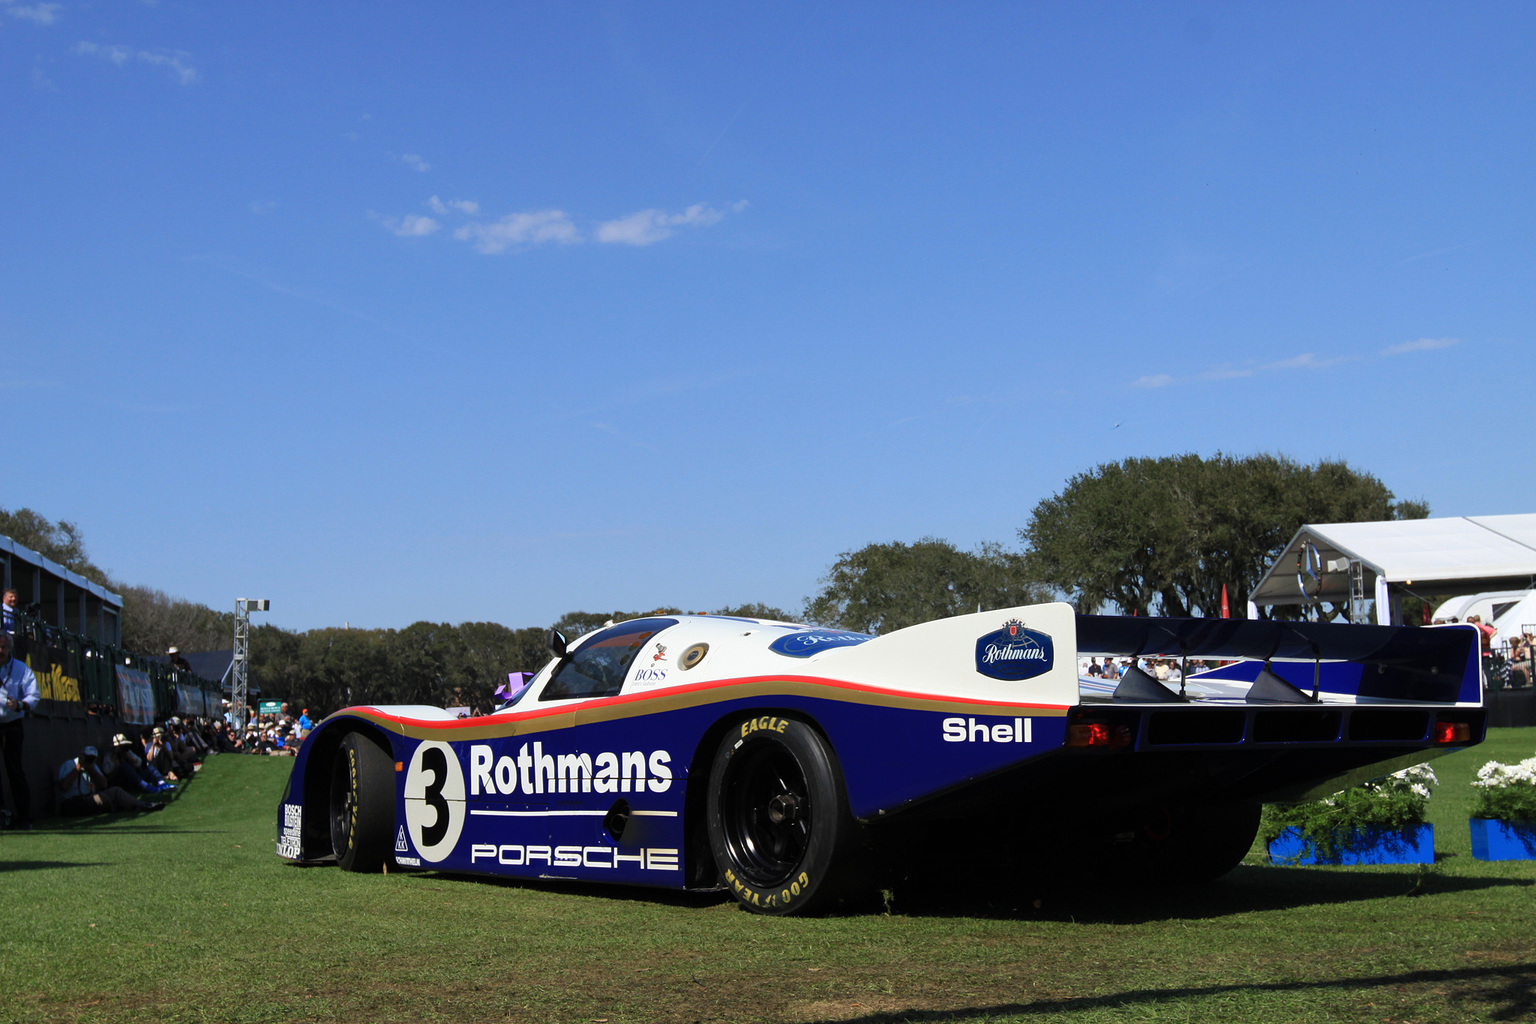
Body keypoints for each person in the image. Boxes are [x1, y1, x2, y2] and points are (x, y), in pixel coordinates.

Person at [0, 631, 41, 829]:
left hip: (12, 724)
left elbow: (34, 695)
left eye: (3, 647)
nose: (0, 651)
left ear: (9, 648)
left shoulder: (20, 669)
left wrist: (20, 705)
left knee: (15, 770)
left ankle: (24, 817)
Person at [57, 745, 163, 815]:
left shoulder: (92, 767)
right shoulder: (69, 765)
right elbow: (64, 786)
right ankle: (119, 807)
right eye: (87, 757)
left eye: (91, 758)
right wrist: (78, 767)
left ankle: (143, 805)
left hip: (87, 799)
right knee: (103, 799)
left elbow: (104, 784)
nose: (89, 761)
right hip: (71, 803)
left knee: (115, 791)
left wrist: (91, 769)